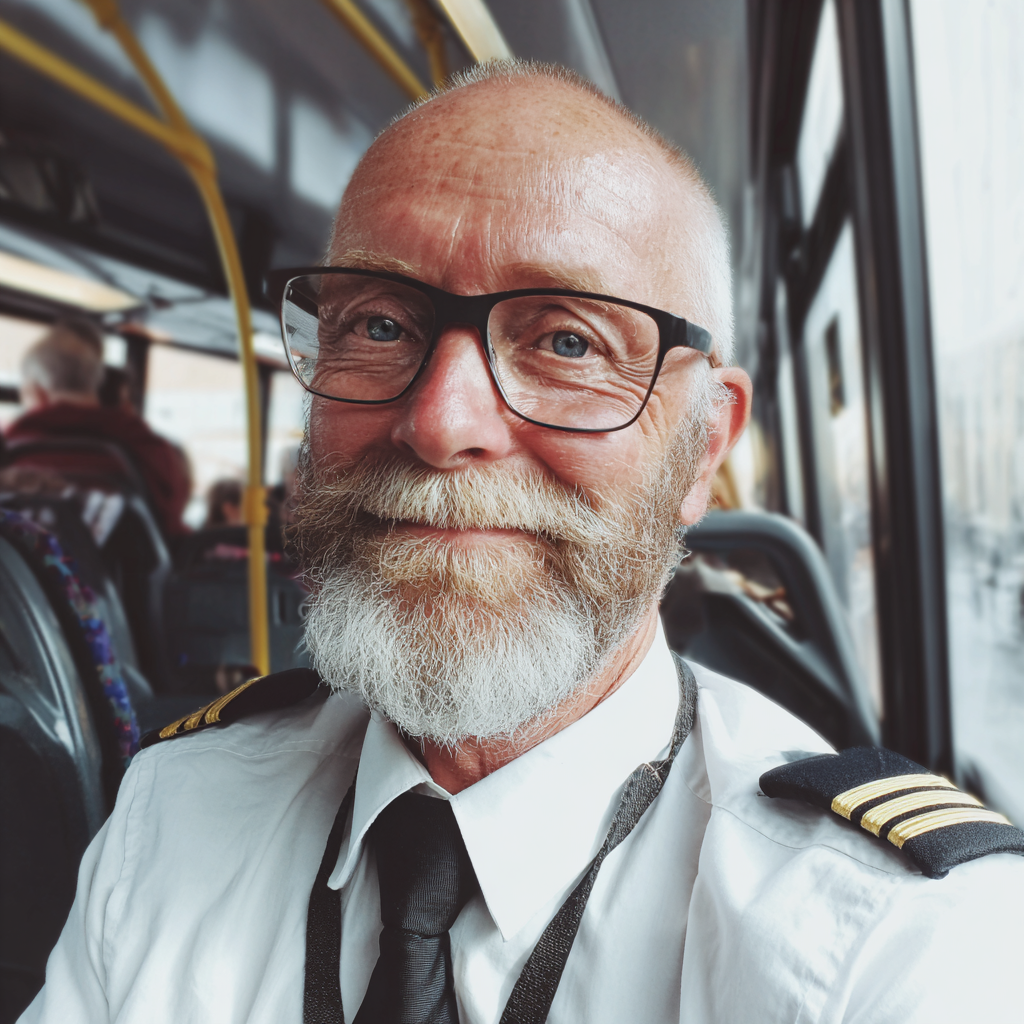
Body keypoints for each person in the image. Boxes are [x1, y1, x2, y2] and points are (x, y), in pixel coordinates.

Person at [20, 62, 1024, 1024]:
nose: (439, 421)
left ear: (703, 444)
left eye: (568, 341)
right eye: (376, 326)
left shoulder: (898, 943)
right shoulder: (170, 813)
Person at [4, 319, 191, 537]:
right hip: (127, 569)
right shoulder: (152, 450)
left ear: (38, 392)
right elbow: (171, 525)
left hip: (28, 569)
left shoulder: (13, 448)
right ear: (95, 381)